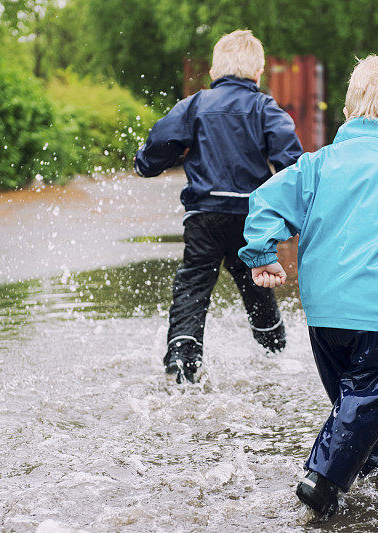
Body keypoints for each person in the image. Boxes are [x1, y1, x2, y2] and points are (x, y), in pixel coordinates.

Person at [238, 53, 378, 518]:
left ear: (346, 113)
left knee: (352, 397)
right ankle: (323, 477)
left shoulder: (316, 166)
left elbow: (264, 202)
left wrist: (262, 255)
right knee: (376, 389)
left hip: (323, 319)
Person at [134, 30, 303, 384]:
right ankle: (275, 350)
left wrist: (144, 163)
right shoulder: (264, 108)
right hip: (251, 221)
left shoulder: (194, 105)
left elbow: (161, 143)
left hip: (204, 218)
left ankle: (181, 361)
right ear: (258, 74)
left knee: (193, 285)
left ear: (214, 70)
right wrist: (299, 211)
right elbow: (291, 165)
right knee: (257, 283)